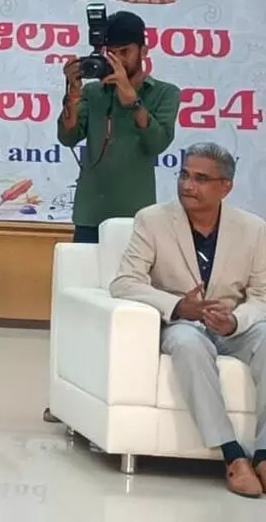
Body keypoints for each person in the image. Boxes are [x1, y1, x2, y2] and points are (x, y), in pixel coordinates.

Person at [109, 143, 266, 497]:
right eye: (183, 175)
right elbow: (124, 282)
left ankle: (264, 454)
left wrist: (236, 321)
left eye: (200, 178)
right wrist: (180, 306)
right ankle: (232, 455)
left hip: (232, 325)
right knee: (188, 344)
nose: (187, 185)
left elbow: (261, 297)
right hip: (182, 324)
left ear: (225, 186)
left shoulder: (253, 229)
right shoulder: (152, 220)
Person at [47, 10, 181, 425]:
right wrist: (72, 92)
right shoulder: (93, 92)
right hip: (90, 211)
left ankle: (125, 389)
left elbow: (157, 140)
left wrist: (130, 95)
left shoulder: (164, 92)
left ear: (144, 49)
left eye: (125, 52)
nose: (117, 60)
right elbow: (68, 135)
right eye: (111, 53)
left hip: (137, 219)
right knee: (79, 303)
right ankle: (67, 395)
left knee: (133, 305)